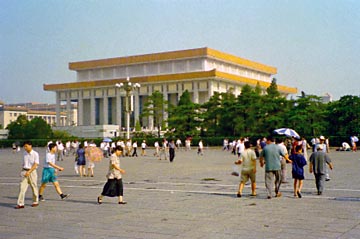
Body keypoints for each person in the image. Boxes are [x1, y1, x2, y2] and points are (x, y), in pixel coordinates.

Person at [15, 141, 40, 209]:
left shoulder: (35, 154)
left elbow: (36, 164)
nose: (25, 148)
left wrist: (29, 171)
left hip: (32, 172)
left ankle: (35, 201)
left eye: (26, 146)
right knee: (22, 188)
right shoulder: (24, 153)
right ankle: (20, 203)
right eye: (24, 146)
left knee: (34, 186)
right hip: (24, 171)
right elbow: (23, 163)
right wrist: (22, 171)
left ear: (30, 145)